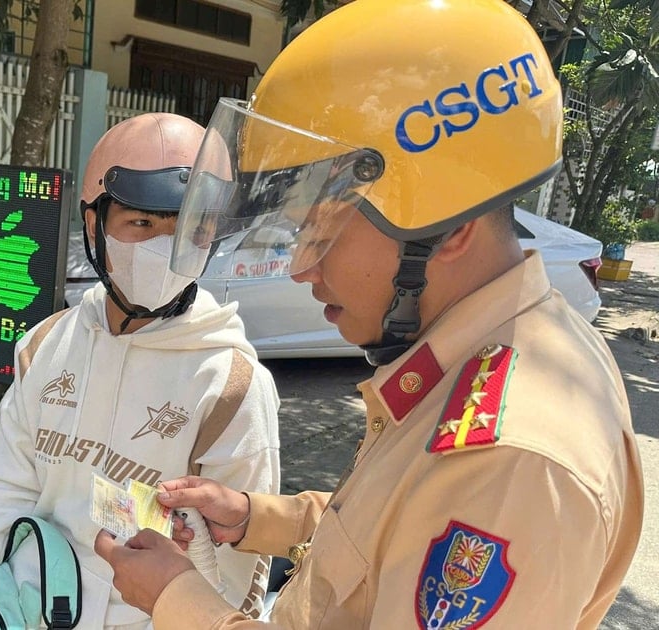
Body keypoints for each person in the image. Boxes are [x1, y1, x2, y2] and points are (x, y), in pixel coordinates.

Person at [94, 1, 644, 628]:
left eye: (323, 233)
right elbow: (396, 530)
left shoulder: (511, 461)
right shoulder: (487, 359)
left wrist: (176, 598)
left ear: (450, 227)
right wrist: (258, 518)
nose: (302, 267)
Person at [0, 113, 282, 629]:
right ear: (94, 226)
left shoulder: (231, 383)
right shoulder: (45, 345)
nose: (167, 247)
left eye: (188, 227)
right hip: (28, 607)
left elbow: (242, 568)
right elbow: (9, 483)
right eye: (142, 224)